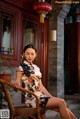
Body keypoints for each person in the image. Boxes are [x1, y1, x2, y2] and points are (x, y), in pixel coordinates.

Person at [14, 44, 77, 119]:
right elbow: (17, 82)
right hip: (32, 99)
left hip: (41, 96)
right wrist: (16, 83)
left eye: (32, 54)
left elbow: (41, 86)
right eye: (27, 54)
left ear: (35, 55)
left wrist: (51, 97)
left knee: (62, 108)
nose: (30, 56)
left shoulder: (36, 68)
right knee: (61, 102)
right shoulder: (21, 68)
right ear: (23, 54)